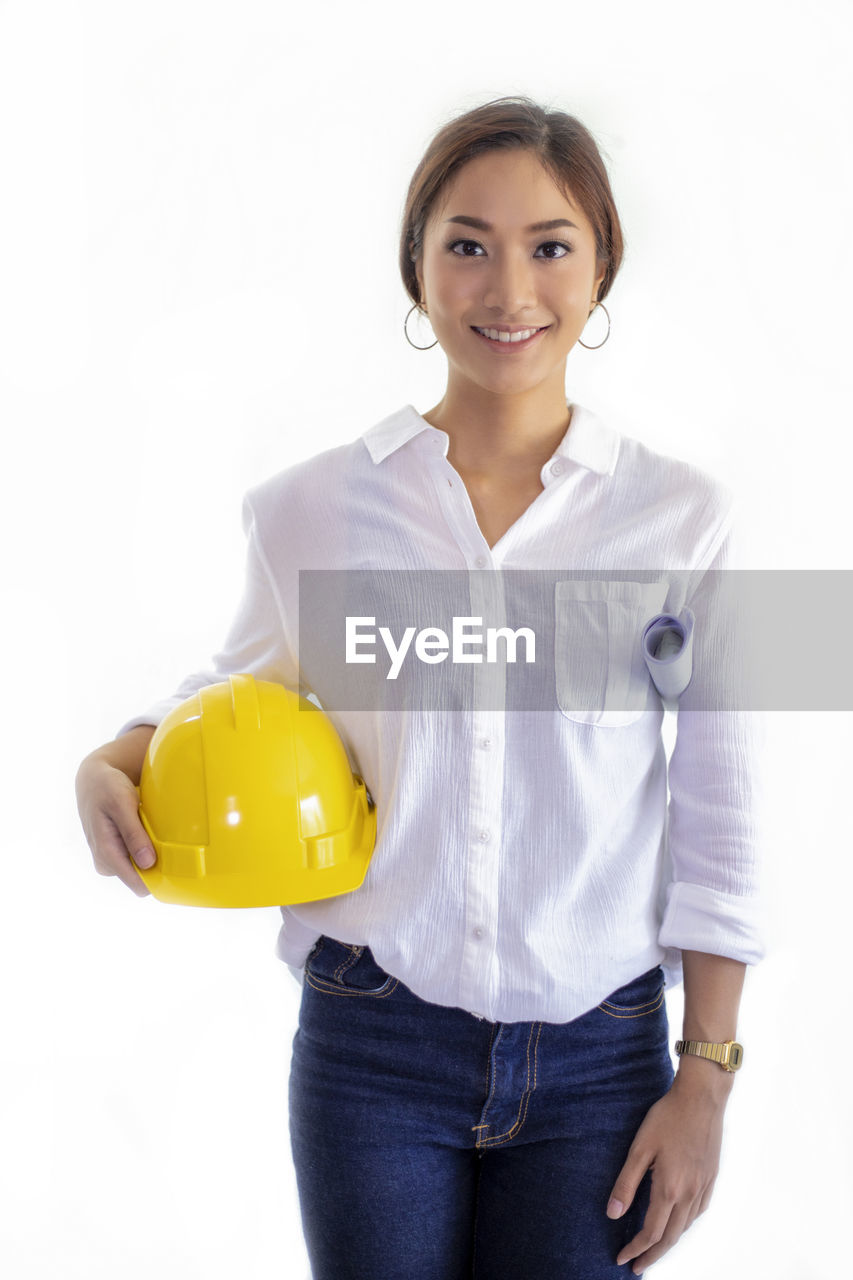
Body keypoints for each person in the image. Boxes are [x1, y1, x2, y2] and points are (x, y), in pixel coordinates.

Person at [75, 95, 764, 1279]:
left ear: (601, 264)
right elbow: (238, 678)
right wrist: (116, 754)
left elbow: (725, 813)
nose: (509, 290)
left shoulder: (685, 520)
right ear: (416, 267)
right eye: (467, 244)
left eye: (550, 245)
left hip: (598, 1058)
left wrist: (706, 1073)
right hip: (370, 1045)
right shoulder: (307, 507)